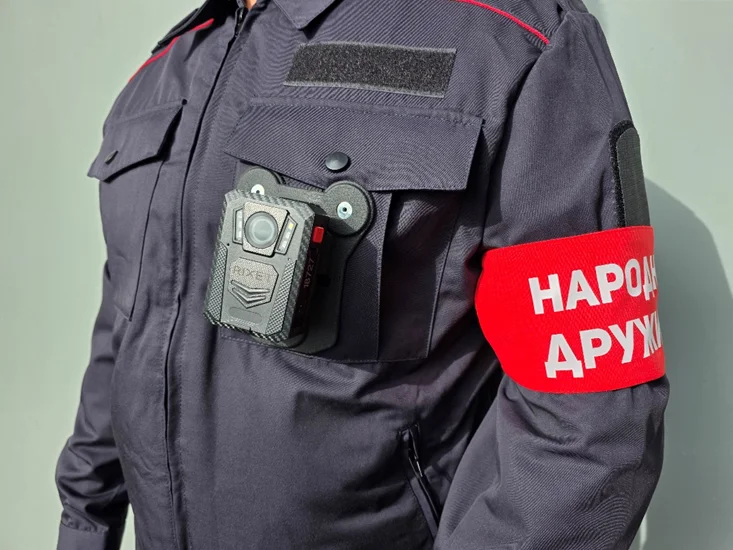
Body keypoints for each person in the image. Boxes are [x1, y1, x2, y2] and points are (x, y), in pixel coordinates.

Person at [55, 0, 669, 548]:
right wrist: (84, 526)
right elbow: (124, 330)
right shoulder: (164, 69)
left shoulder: (509, 37)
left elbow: (591, 422)